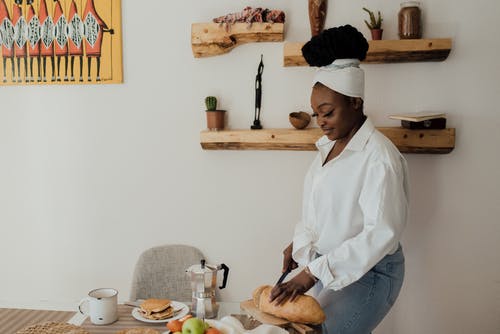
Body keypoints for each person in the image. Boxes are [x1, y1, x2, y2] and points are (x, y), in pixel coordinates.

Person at [270, 25, 409, 334]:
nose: (320, 122)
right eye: (316, 113)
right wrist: (300, 245)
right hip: (326, 268)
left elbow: (380, 234)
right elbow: (326, 211)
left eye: (328, 112)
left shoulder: (379, 159)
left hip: (371, 274)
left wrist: (311, 274)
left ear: (355, 103)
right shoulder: (328, 148)